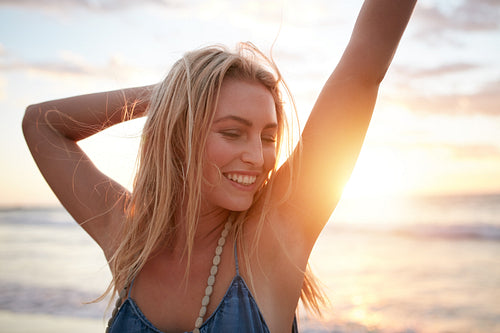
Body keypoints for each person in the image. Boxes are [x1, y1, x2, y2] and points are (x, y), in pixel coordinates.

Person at [22, 1, 416, 332]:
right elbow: (42, 124)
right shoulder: (129, 240)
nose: (258, 157)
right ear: (181, 135)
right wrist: (172, 94)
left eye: (267, 137)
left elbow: (361, 74)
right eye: (233, 132)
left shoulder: (273, 241)